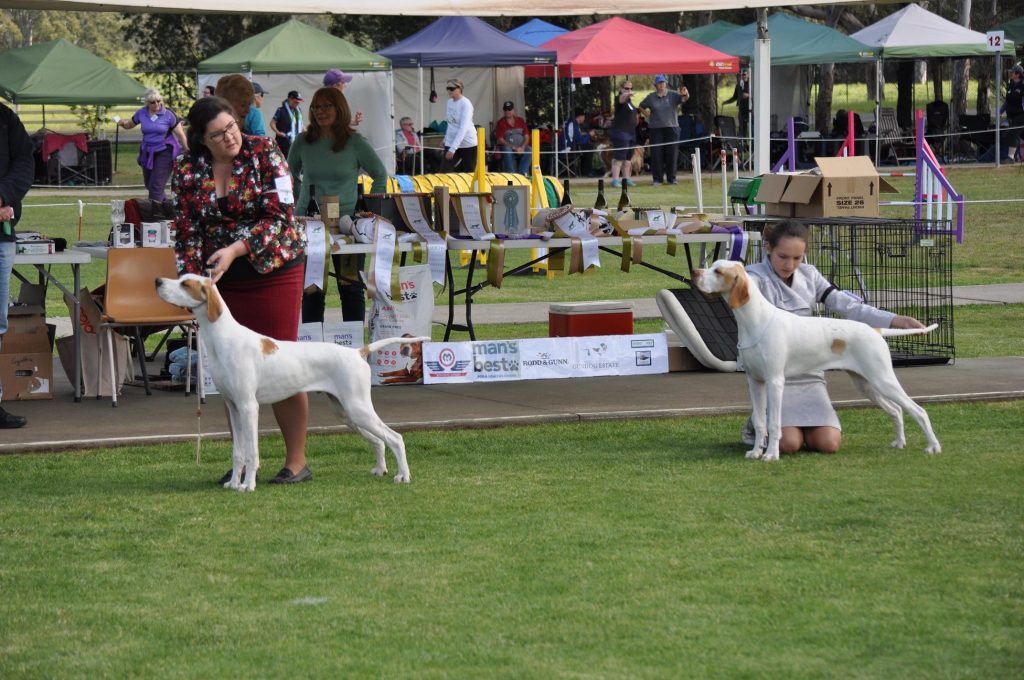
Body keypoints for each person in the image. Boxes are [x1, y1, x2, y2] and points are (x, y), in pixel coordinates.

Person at [171, 96, 310, 485]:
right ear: (201, 139)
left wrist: (235, 249)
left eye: (231, 126)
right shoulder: (185, 167)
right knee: (234, 373)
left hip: (273, 267)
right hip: (221, 278)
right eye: (218, 134)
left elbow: (281, 216)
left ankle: (296, 461)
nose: (230, 137)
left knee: (281, 361)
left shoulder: (266, 151)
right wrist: (191, 285)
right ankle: (244, 462)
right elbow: (185, 231)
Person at [743, 220, 926, 454]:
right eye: (783, 256)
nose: (790, 264)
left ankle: (795, 426)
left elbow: (848, 306)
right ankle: (755, 427)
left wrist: (893, 320)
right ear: (768, 248)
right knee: (789, 444)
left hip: (809, 372)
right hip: (775, 375)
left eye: (797, 258)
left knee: (828, 444)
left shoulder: (810, 275)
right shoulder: (754, 277)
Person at [288, 86, 387, 325]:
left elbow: (380, 175)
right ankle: (314, 350)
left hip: (347, 227)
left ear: (339, 108)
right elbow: (288, 175)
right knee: (312, 289)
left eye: (326, 106)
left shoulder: (355, 142)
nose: (320, 111)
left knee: (351, 289)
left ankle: (353, 350)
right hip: (310, 226)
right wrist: (303, 203)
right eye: (315, 107)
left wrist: (369, 214)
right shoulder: (302, 141)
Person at [0, 103, 33, 428]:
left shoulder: (6, 118)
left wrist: (3, 196)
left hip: (2, 239)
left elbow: (25, 163)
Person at [118, 88, 187, 201]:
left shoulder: (168, 114)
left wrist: (187, 149)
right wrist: (122, 123)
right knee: (149, 185)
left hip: (165, 151)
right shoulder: (141, 113)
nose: (157, 104)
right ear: (147, 103)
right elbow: (129, 124)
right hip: (147, 152)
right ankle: (168, 209)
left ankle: (156, 216)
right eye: (153, 102)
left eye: (159, 101)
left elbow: (181, 134)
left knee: (155, 188)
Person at [639, 74, 689, 186]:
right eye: (659, 83)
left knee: (672, 154)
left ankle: (672, 179)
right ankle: (657, 179)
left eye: (663, 82)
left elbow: (684, 98)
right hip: (655, 129)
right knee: (656, 154)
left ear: (666, 83)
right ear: (655, 85)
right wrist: (647, 115)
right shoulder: (651, 97)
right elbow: (641, 106)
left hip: (672, 129)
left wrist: (686, 93)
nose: (661, 85)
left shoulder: (673, 94)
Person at [440, 78, 477, 173]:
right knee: (445, 171)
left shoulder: (466, 104)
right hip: (451, 142)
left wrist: (453, 149)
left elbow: (463, 128)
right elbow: (450, 123)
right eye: (447, 88)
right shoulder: (449, 102)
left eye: (451, 88)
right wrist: (445, 139)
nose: (449, 91)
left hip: (467, 143)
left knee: (469, 172)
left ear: (459, 89)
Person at [609, 80, 637, 188]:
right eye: (626, 88)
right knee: (619, 157)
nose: (629, 91)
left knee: (628, 158)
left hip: (631, 133)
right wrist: (626, 94)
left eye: (631, 88)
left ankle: (627, 178)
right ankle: (615, 180)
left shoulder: (630, 102)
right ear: (621, 89)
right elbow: (622, 99)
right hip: (620, 132)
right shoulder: (619, 98)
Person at [493, 101, 531, 175]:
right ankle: (510, 173)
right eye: (506, 109)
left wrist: (522, 147)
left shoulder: (520, 120)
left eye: (509, 109)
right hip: (509, 147)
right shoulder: (500, 122)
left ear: (513, 110)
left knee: (529, 149)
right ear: (503, 110)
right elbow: (500, 139)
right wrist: (514, 147)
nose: (508, 111)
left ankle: (523, 173)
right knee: (506, 149)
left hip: (521, 146)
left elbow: (526, 136)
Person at [1000, 63, 1024, 161]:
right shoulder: (1011, 85)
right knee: (1021, 135)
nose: (1010, 73)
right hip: (1013, 116)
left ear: (1017, 74)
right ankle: (1020, 157)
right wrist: (1000, 111)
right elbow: (1007, 101)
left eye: (1012, 72)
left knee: (1012, 133)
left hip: (1022, 115)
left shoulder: (1023, 86)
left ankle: (1010, 158)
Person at [560, 108, 594, 177]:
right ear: (580, 117)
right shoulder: (573, 125)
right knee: (589, 147)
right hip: (567, 149)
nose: (584, 118)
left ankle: (585, 171)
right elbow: (580, 141)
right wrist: (589, 135)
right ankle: (586, 172)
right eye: (584, 116)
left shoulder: (572, 123)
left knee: (587, 147)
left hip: (569, 147)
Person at [270, 90, 304, 158]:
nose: (297, 104)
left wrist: (307, 131)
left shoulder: (298, 111)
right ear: (290, 99)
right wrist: (278, 132)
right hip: (284, 144)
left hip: (296, 143)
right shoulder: (281, 110)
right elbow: (272, 123)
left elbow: (300, 125)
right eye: (296, 102)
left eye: (298, 103)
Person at [723, 69, 751, 138]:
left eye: (745, 74)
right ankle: (742, 143)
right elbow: (734, 97)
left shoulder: (751, 84)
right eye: (742, 75)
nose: (743, 76)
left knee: (751, 127)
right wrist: (726, 102)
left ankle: (752, 144)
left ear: (748, 75)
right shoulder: (738, 85)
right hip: (741, 108)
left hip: (750, 108)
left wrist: (749, 95)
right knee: (741, 127)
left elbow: (757, 95)